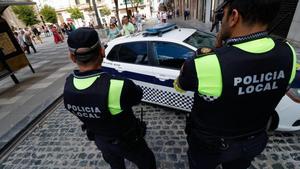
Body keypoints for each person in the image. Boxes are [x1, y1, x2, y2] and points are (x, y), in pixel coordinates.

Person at [174, 0, 297, 169]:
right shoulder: (288, 52)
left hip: (210, 147)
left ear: (233, 17)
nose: (221, 20)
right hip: (252, 142)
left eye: (222, 15)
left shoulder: (204, 63)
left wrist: (217, 51)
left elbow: (179, 86)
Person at [64, 27, 156, 169]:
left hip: (100, 140)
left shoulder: (68, 86)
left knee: (115, 165)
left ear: (72, 57)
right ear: (102, 51)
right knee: (147, 162)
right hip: (128, 141)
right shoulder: (118, 85)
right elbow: (137, 97)